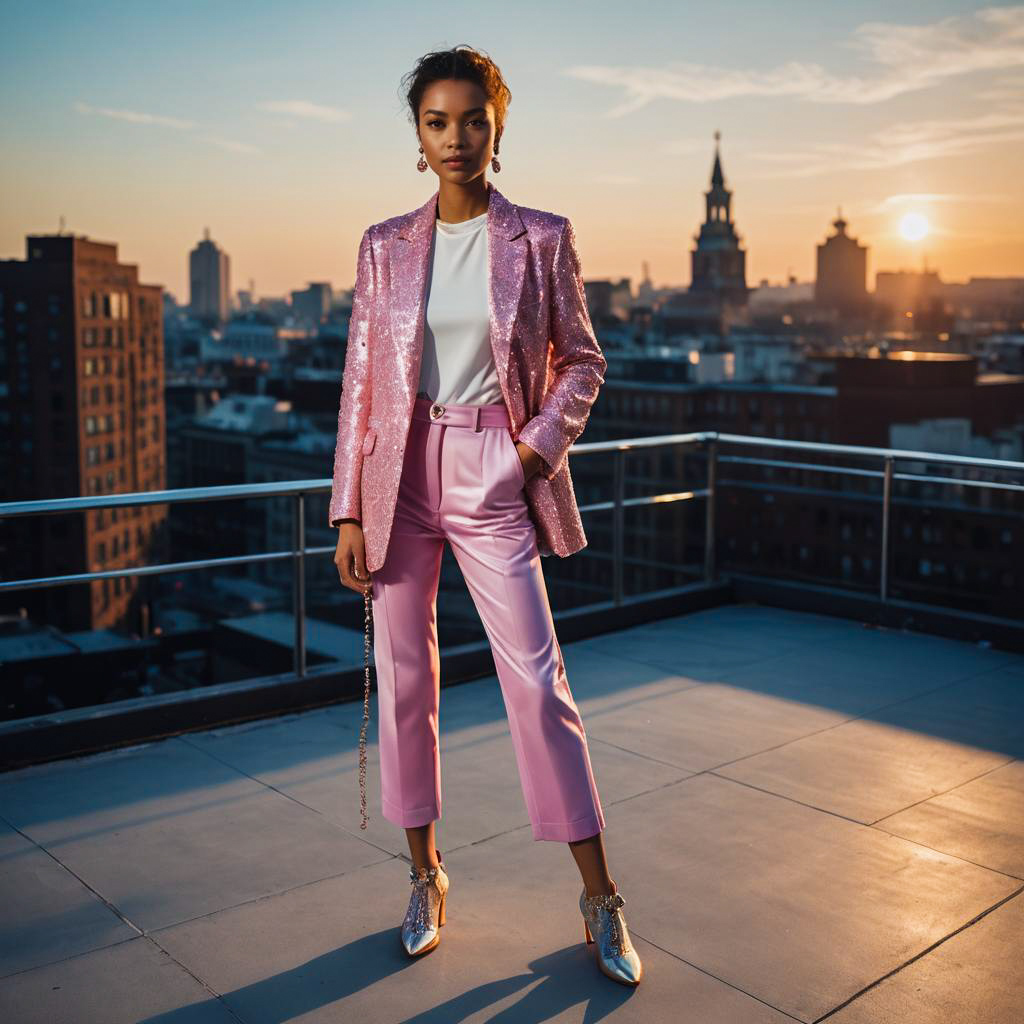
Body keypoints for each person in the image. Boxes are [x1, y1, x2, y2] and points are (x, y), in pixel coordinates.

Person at [329, 44, 642, 987]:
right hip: (398, 475)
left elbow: (583, 362)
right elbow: (360, 389)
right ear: (417, 138)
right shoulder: (383, 245)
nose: (455, 137)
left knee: (538, 683)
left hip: (494, 466)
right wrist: (347, 508)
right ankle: (424, 874)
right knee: (404, 676)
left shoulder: (540, 237)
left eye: (472, 119)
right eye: (436, 122)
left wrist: (532, 452)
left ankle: (600, 897)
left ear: (497, 127)